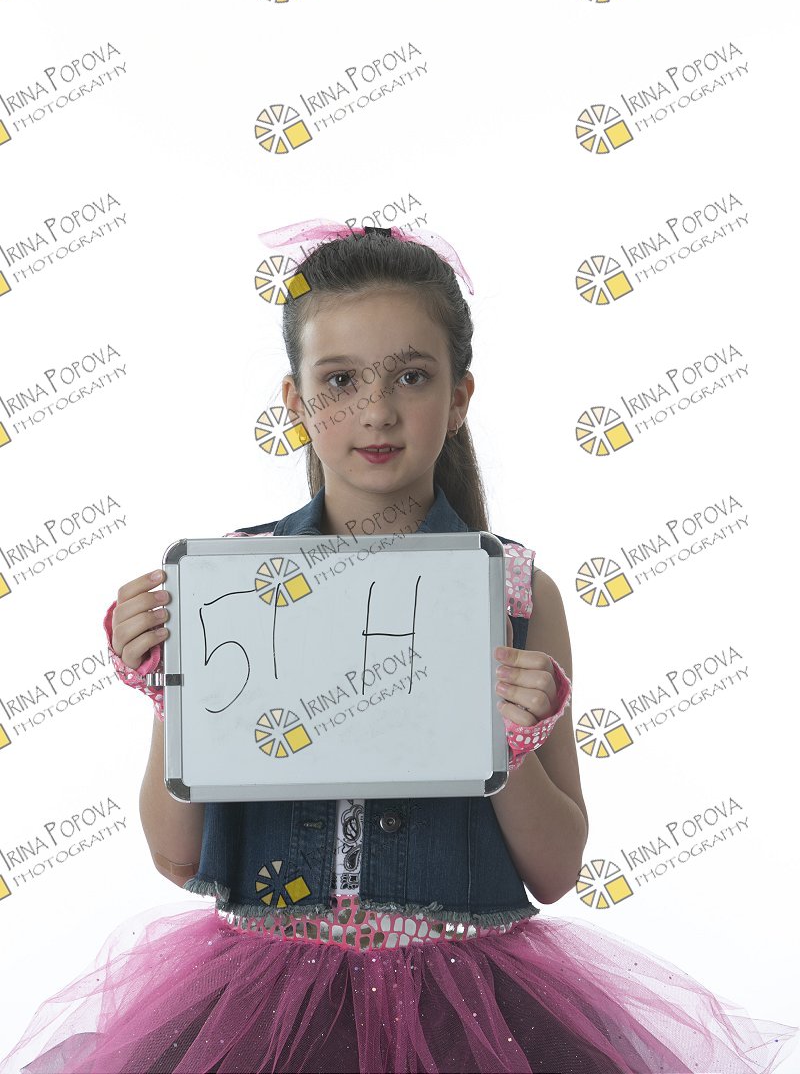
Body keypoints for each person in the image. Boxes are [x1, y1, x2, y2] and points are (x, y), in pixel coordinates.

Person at [1, 223, 796, 1074]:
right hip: (265, 1012)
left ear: (458, 398)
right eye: (340, 380)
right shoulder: (227, 585)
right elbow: (176, 855)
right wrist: (175, 696)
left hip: (472, 1012)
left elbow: (557, 869)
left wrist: (509, 746)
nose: (376, 411)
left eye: (411, 376)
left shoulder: (519, 595)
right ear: (295, 401)